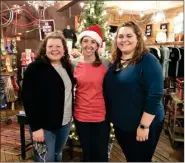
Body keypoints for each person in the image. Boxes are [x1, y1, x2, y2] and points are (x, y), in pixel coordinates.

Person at [103, 21, 165, 162]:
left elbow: (155, 94)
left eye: (129, 36)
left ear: (138, 38)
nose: (124, 40)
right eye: (121, 36)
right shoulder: (117, 61)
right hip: (122, 124)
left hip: (143, 124)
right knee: (131, 157)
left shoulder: (148, 61)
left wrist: (144, 125)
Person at [21, 31, 74, 162]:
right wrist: (36, 127)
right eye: (50, 46)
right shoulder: (35, 68)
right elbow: (28, 99)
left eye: (58, 46)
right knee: (45, 159)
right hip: (44, 126)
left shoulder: (67, 66)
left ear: (64, 49)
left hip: (65, 123)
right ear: (45, 49)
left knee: (57, 154)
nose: (54, 50)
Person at [72, 24, 110, 162]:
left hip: (101, 116)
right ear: (81, 43)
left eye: (93, 42)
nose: (89, 45)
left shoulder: (106, 63)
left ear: (98, 45)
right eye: (86, 41)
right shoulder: (74, 64)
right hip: (81, 115)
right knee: (87, 153)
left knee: (101, 154)